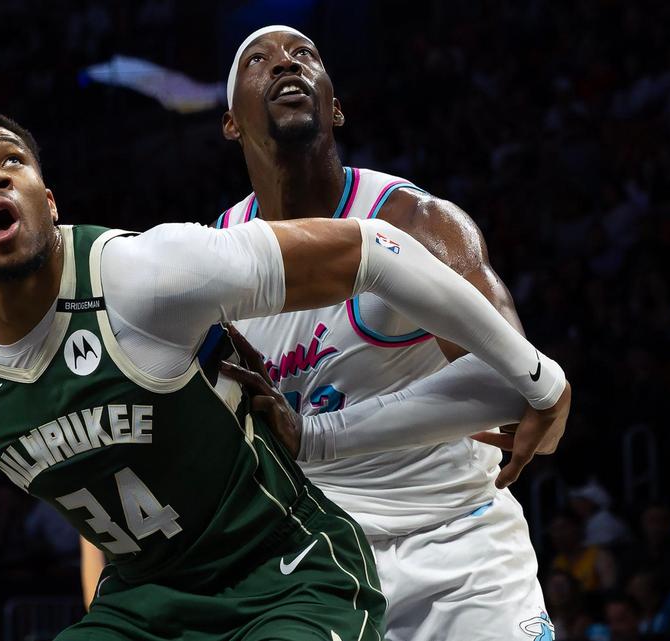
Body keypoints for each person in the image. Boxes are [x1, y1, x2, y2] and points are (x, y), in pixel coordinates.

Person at [0, 110, 570, 639]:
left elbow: (379, 252)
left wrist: (538, 376)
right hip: (164, 592)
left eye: (11, 161)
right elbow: (98, 456)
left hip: (338, 556)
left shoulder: (151, 272)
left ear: (49, 201)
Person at [102, 24, 572, 641]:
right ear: (230, 124)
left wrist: (314, 437)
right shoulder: (208, 260)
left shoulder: (412, 220)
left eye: (305, 56)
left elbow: (512, 382)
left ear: (337, 106)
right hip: (313, 567)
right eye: (258, 61)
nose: (286, 65)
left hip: (459, 546)